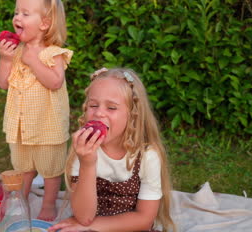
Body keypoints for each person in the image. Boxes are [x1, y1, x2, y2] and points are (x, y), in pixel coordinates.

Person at [49, 68, 175, 232]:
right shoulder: (82, 148)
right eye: (93, 105)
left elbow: (144, 219)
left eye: (112, 108)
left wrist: (89, 226)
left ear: (132, 115)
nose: (99, 113)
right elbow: (84, 217)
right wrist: (87, 163)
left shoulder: (147, 156)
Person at [0, 0, 73, 221]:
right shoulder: (15, 52)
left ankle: (48, 204)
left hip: (47, 126)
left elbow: (55, 82)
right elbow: (2, 83)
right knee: (23, 168)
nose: (17, 17)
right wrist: (5, 59)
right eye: (16, 12)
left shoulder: (53, 53)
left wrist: (33, 61)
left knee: (50, 170)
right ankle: (22, 198)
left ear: (45, 23)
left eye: (25, 13)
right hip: (20, 127)